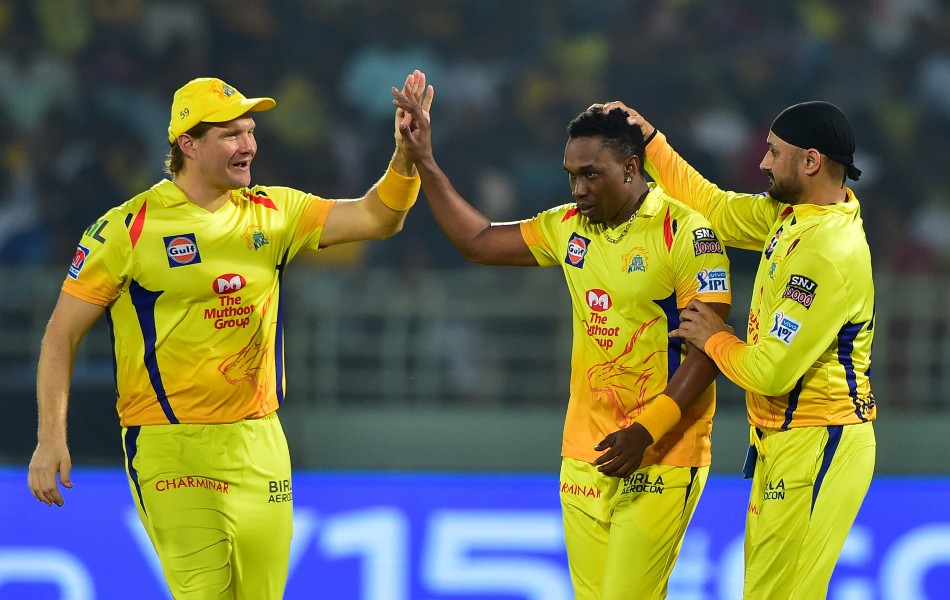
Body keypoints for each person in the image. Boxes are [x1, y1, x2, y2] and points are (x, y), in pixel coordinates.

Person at [28, 70, 433, 599]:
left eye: (249, 131)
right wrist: (50, 438)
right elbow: (60, 335)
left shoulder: (274, 212)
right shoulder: (127, 228)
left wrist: (405, 157)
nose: (248, 145)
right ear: (188, 144)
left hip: (260, 442)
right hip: (170, 445)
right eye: (231, 135)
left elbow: (378, 219)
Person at [392, 91, 732, 598]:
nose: (578, 189)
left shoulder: (686, 233)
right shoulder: (568, 227)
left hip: (662, 452)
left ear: (631, 168)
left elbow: (709, 350)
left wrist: (646, 431)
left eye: (591, 174)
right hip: (584, 455)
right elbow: (478, 241)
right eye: (571, 175)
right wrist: (424, 161)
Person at [601, 99, 876, 599]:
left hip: (818, 440)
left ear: (810, 161)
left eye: (774, 152)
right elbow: (716, 210)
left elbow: (770, 372)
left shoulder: (825, 253)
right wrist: (652, 143)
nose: (763, 162)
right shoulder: (795, 216)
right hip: (785, 441)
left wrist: (714, 336)